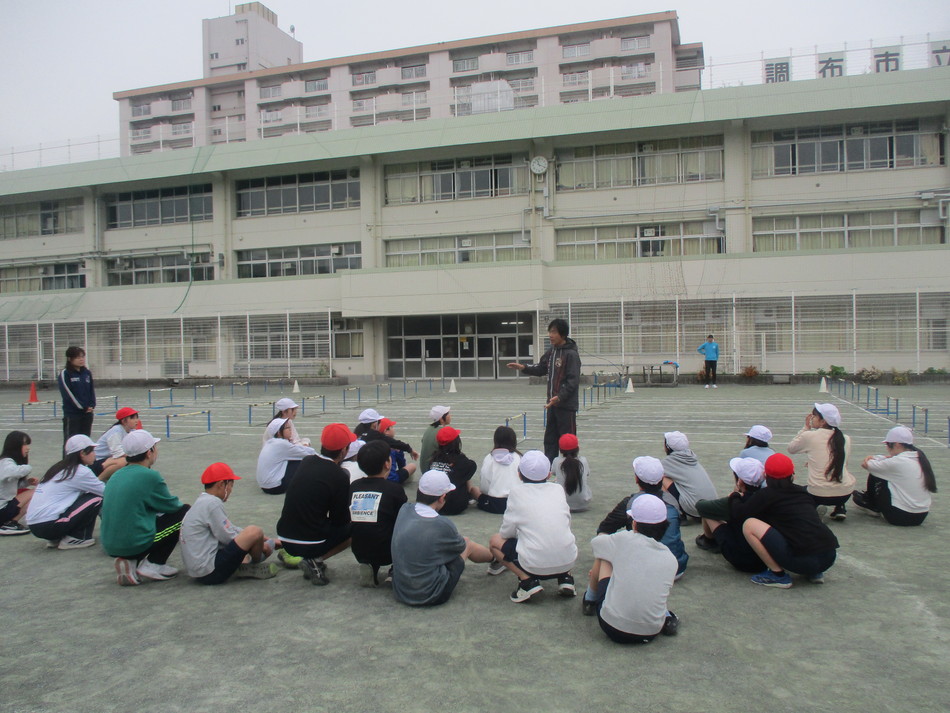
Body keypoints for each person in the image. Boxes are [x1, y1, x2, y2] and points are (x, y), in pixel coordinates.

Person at [731, 453, 838, 588]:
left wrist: (735, 495)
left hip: (802, 561)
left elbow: (739, 514)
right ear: (793, 475)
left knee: (749, 524)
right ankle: (815, 572)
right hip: (829, 555)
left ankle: (778, 575)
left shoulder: (766, 495)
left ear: (765, 475)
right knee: (804, 523)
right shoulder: (803, 492)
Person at [583, 494, 679, 645]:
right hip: (651, 631)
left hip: (612, 626)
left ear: (634, 524)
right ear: (665, 526)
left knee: (604, 556)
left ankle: (589, 599)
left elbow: (596, 543)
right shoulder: (670, 559)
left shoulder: (623, 539)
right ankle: (666, 615)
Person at [390, 470, 494, 606]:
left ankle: (494, 559)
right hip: (432, 594)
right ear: (442, 497)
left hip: (401, 591)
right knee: (467, 543)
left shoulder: (405, 509)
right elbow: (459, 547)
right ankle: (495, 558)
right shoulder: (442, 525)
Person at [100, 430, 190, 586]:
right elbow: (172, 506)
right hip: (134, 542)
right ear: (149, 452)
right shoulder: (149, 476)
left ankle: (131, 561)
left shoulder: (116, 475)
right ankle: (154, 563)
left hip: (109, 543)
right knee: (184, 513)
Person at [489, 450, 578, 602]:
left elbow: (506, 532)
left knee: (494, 542)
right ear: (548, 474)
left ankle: (526, 581)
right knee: (559, 536)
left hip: (534, 563)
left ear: (519, 474)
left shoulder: (517, 493)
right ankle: (565, 577)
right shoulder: (558, 489)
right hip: (568, 558)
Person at [275, 423, 356, 586]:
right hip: (308, 542)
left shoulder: (307, 461)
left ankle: (312, 558)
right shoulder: (339, 476)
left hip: (284, 535)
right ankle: (315, 559)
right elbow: (340, 521)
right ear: (343, 451)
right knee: (356, 528)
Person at [179, 462, 278, 584]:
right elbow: (228, 537)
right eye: (231, 485)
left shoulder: (202, 502)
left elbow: (230, 529)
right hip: (210, 572)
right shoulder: (212, 503)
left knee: (251, 537)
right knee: (255, 531)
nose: (230, 490)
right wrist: (263, 545)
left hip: (199, 571)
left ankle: (245, 563)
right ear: (222, 484)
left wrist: (264, 539)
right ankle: (255, 563)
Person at [596, 456, 688, 579]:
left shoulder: (629, 503)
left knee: (602, 538)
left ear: (636, 479)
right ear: (662, 479)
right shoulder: (672, 501)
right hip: (676, 569)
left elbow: (605, 528)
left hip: (642, 571)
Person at [506, 318, 581, 463]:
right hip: (552, 405)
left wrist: (560, 397)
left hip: (566, 406)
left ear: (562, 334)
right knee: (550, 439)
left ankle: (570, 468)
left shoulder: (571, 354)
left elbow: (573, 381)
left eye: (553, 332)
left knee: (567, 441)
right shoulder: (552, 352)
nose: (550, 335)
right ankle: (548, 468)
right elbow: (541, 368)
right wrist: (523, 367)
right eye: (549, 332)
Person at [25, 434, 104, 549]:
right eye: (92, 451)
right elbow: (106, 492)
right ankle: (78, 537)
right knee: (96, 498)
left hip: (35, 526)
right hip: (49, 525)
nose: (94, 454)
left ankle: (57, 537)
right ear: (82, 453)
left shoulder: (58, 468)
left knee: (81, 497)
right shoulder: (80, 471)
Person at [349, 440, 409, 586]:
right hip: (387, 551)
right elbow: (402, 520)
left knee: (371, 525)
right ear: (387, 464)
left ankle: (369, 566)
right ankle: (396, 569)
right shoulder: (394, 489)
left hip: (359, 549)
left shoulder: (354, 486)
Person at [694, 457, 767, 573]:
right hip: (766, 558)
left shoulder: (735, 501)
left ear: (740, 481)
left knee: (708, 512)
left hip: (741, 559)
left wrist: (733, 495)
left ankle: (709, 541)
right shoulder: (768, 496)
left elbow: (700, 506)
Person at [853, 426, 936, 527]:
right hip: (921, 516)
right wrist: (881, 457)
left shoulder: (897, 462)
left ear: (897, 445)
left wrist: (871, 457)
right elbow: (888, 462)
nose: (887, 448)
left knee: (877, 473)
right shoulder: (920, 457)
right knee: (884, 471)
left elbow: (867, 465)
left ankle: (872, 505)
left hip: (899, 517)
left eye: (888, 444)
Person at [788, 403, 855, 521]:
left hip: (818, 494)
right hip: (845, 493)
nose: (812, 418)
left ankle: (813, 510)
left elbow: (791, 448)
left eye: (814, 416)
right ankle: (840, 508)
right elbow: (842, 463)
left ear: (823, 421)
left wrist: (805, 428)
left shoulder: (810, 436)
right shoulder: (845, 438)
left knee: (800, 494)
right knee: (840, 476)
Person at [661, 431, 717, 519]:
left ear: (668, 447)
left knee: (660, 478)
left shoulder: (668, 462)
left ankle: (679, 513)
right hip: (711, 507)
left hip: (694, 508)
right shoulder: (691, 457)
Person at [256, 417, 317, 494]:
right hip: (276, 487)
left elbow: (297, 449)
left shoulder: (270, 442)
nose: (290, 429)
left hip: (264, 486)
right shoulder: (281, 444)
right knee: (305, 462)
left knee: (294, 459)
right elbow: (307, 454)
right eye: (287, 428)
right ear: (279, 432)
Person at [428, 426, 480, 515]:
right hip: (454, 505)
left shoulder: (433, 459)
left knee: (460, 474)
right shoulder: (460, 460)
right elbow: (472, 466)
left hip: (433, 504)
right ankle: (469, 496)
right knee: (464, 474)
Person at [476, 425, 521, 514]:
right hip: (517, 503)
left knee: (474, 490)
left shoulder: (490, 458)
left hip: (496, 503)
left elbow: (485, 485)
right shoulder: (519, 457)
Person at [91, 407, 141, 482]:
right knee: (124, 461)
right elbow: (118, 452)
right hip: (97, 461)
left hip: (109, 459)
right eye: (133, 418)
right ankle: (98, 480)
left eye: (137, 418)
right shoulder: (116, 431)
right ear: (124, 421)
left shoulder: (131, 430)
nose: (136, 420)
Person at [58, 345, 96, 443]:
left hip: (87, 414)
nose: (81, 359)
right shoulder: (65, 374)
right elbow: (68, 394)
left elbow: (91, 391)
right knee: (71, 442)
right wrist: (83, 407)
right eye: (78, 357)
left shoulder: (87, 373)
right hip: (72, 415)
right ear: (70, 359)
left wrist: (92, 405)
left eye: (82, 357)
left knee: (85, 441)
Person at [0, 431, 35, 535]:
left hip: (3, 507)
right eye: (24, 444)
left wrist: (27, 482)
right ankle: (9, 523)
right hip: (1, 509)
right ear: (15, 446)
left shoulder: (4, 461)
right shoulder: (6, 462)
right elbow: (11, 473)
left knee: (27, 492)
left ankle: (8, 522)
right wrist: (28, 467)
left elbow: (8, 484)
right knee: (36, 492)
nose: (27, 448)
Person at [552, 433, 591, 512]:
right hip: (583, 503)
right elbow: (587, 474)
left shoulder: (556, 461)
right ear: (577, 448)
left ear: (560, 450)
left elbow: (553, 472)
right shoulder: (583, 460)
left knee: (555, 482)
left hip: (562, 503)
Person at [378, 418, 417, 484]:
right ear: (386, 431)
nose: (393, 429)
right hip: (391, 479)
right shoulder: (396, 447)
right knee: (412, 466)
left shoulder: (374, 444)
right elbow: (402, 465)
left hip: (376, 477)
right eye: (392, 427)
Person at [420, 405, 451, 473]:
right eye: (447, 414)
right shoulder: (442, 432)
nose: (450, 416)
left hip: (424, 469)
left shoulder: (429, 429)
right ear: (441, 419)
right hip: (433, 469)